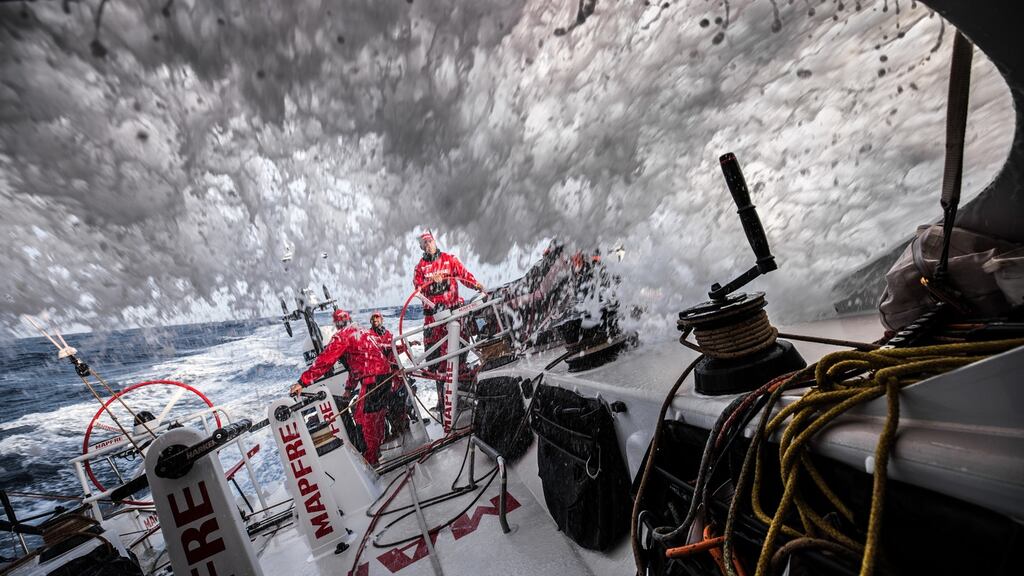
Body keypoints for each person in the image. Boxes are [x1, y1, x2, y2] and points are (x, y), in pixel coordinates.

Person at [290, 308, 392, 465]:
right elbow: (357, 366)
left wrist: (302, 382)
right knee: (376, 416)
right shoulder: (361, 331)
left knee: (363, 419)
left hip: (373, 380)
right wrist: (349, 390)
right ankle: (375, 450)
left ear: (336, 323)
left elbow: (325, 361)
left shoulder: (342, 336)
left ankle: (371, 459)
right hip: (385, 376)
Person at [412, 231, 485, 413]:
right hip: (433, 320)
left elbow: (464, 276)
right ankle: (443, 402)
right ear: (421, 247)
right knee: (436, 363)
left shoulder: (449, 260)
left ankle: (462, 398)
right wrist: (431, 283)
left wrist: (477, 285)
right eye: (424, 243)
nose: (427, 244)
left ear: (435, 242)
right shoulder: (420, 268)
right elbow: (418, 289)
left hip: (454, 316)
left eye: (429, 241)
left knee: (459, 357)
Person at [368, 311, 421, 431]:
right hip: (383, 377)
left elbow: (394, 351)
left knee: (406, 394)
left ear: (381, 319)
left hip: (396, 374)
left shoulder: (388, 335)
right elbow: (383, 350)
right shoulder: (369, 337)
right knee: (390, 403)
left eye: (377, 318)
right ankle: (398, 427)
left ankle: (412, 418)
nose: (375, 320)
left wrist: (408, 345)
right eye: (373, 319)